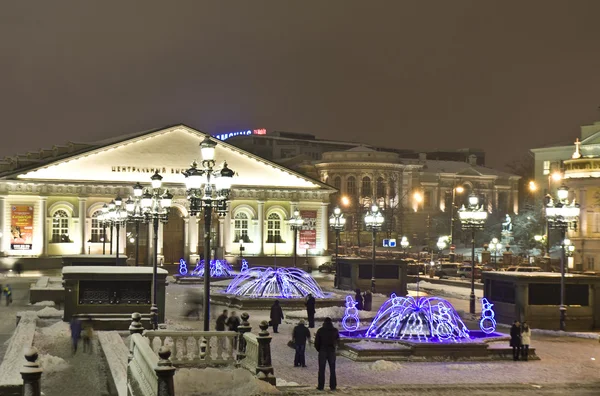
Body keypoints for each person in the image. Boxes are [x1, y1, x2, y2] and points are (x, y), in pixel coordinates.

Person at [314, 317, 339, 391]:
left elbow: (317, 343)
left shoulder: (320, 330)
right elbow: (337, 340)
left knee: (321, 369)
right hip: (331, 351)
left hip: (323, 351)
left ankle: (321, 386)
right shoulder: (335, 330)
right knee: (332, 369)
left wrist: (320, 349)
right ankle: (333, 386)